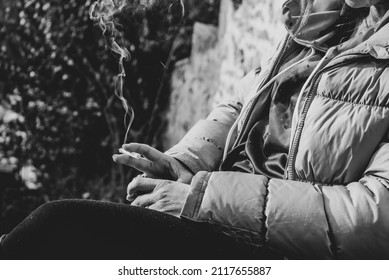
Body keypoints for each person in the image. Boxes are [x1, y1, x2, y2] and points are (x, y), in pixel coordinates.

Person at [1, 0, 389, 259]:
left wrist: (204, 198)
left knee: (59, 228)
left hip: (272, 249)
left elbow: (375, 215)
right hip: (219, 215)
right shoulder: (316, 26)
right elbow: (239, 104)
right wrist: (185, 162)